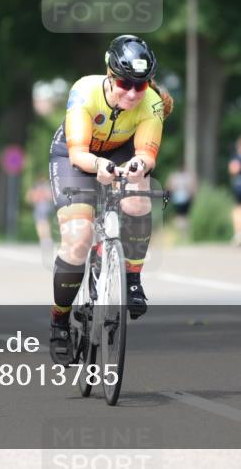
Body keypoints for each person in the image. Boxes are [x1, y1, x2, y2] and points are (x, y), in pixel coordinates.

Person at [47, 35, 173, 365]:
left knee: (137, 195)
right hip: (77, 155)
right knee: (78, 240)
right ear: (108, 74)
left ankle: (132, 279)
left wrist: (137, 166)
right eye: (123, 83)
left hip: (122, 150)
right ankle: (60, 320)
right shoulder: (85, 91)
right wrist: (100, 166)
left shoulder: (153, 103)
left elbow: (146, 154)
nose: (131, 93)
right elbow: (78, 153)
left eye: (140, 86)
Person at [26, 177, 54, 249]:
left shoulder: (35, 187)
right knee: (43, 223)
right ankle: (46, 240)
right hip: (42, 206)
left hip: (41, 206)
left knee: (41, 223)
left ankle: (45, 240)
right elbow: (50, 197)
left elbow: (29, 197)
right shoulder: (46, 186)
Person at [165, 168, 195, 235]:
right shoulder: (187, 177)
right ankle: (183, 232)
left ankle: (180, 232)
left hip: (178, 199)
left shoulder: (174, 176)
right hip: (184, 198)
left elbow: (168, 187)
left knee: (180, 216)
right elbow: (192, 187)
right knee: (184, 216)